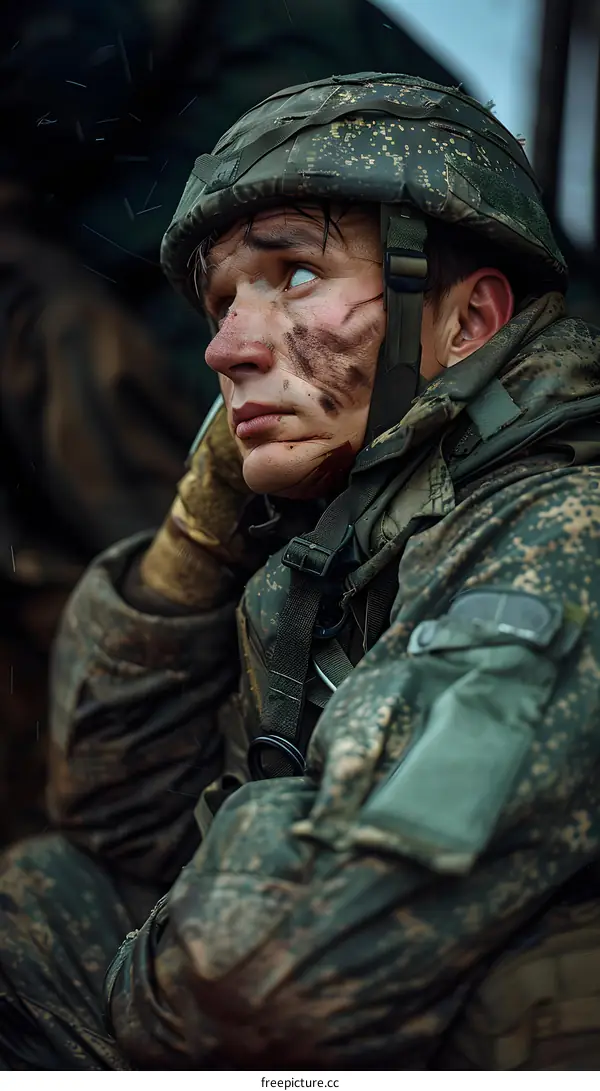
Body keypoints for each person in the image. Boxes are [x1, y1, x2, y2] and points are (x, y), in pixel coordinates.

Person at [3, 72, 600, 1071]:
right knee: (44, 898)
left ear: (467, 320)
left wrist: (187, 919)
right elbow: (116, 821)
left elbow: (253, 976)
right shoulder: (347, 533)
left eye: (292, 274)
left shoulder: (557, 536)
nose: (227, 346)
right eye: (223, 300)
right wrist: (202, 523)